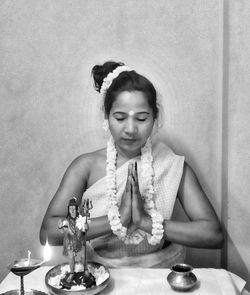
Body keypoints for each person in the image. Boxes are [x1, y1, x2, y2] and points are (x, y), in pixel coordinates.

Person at [40, 61, 223, 268]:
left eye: (142, 118)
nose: (130, 129)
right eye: (120, 117)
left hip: (158, 274)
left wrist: (145, 222)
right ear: (106, 117)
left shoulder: (171, 165)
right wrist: (116, 220)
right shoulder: (85, 167)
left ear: (155, 118)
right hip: (100, 274)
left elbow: (213, 235)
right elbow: (48, 232)